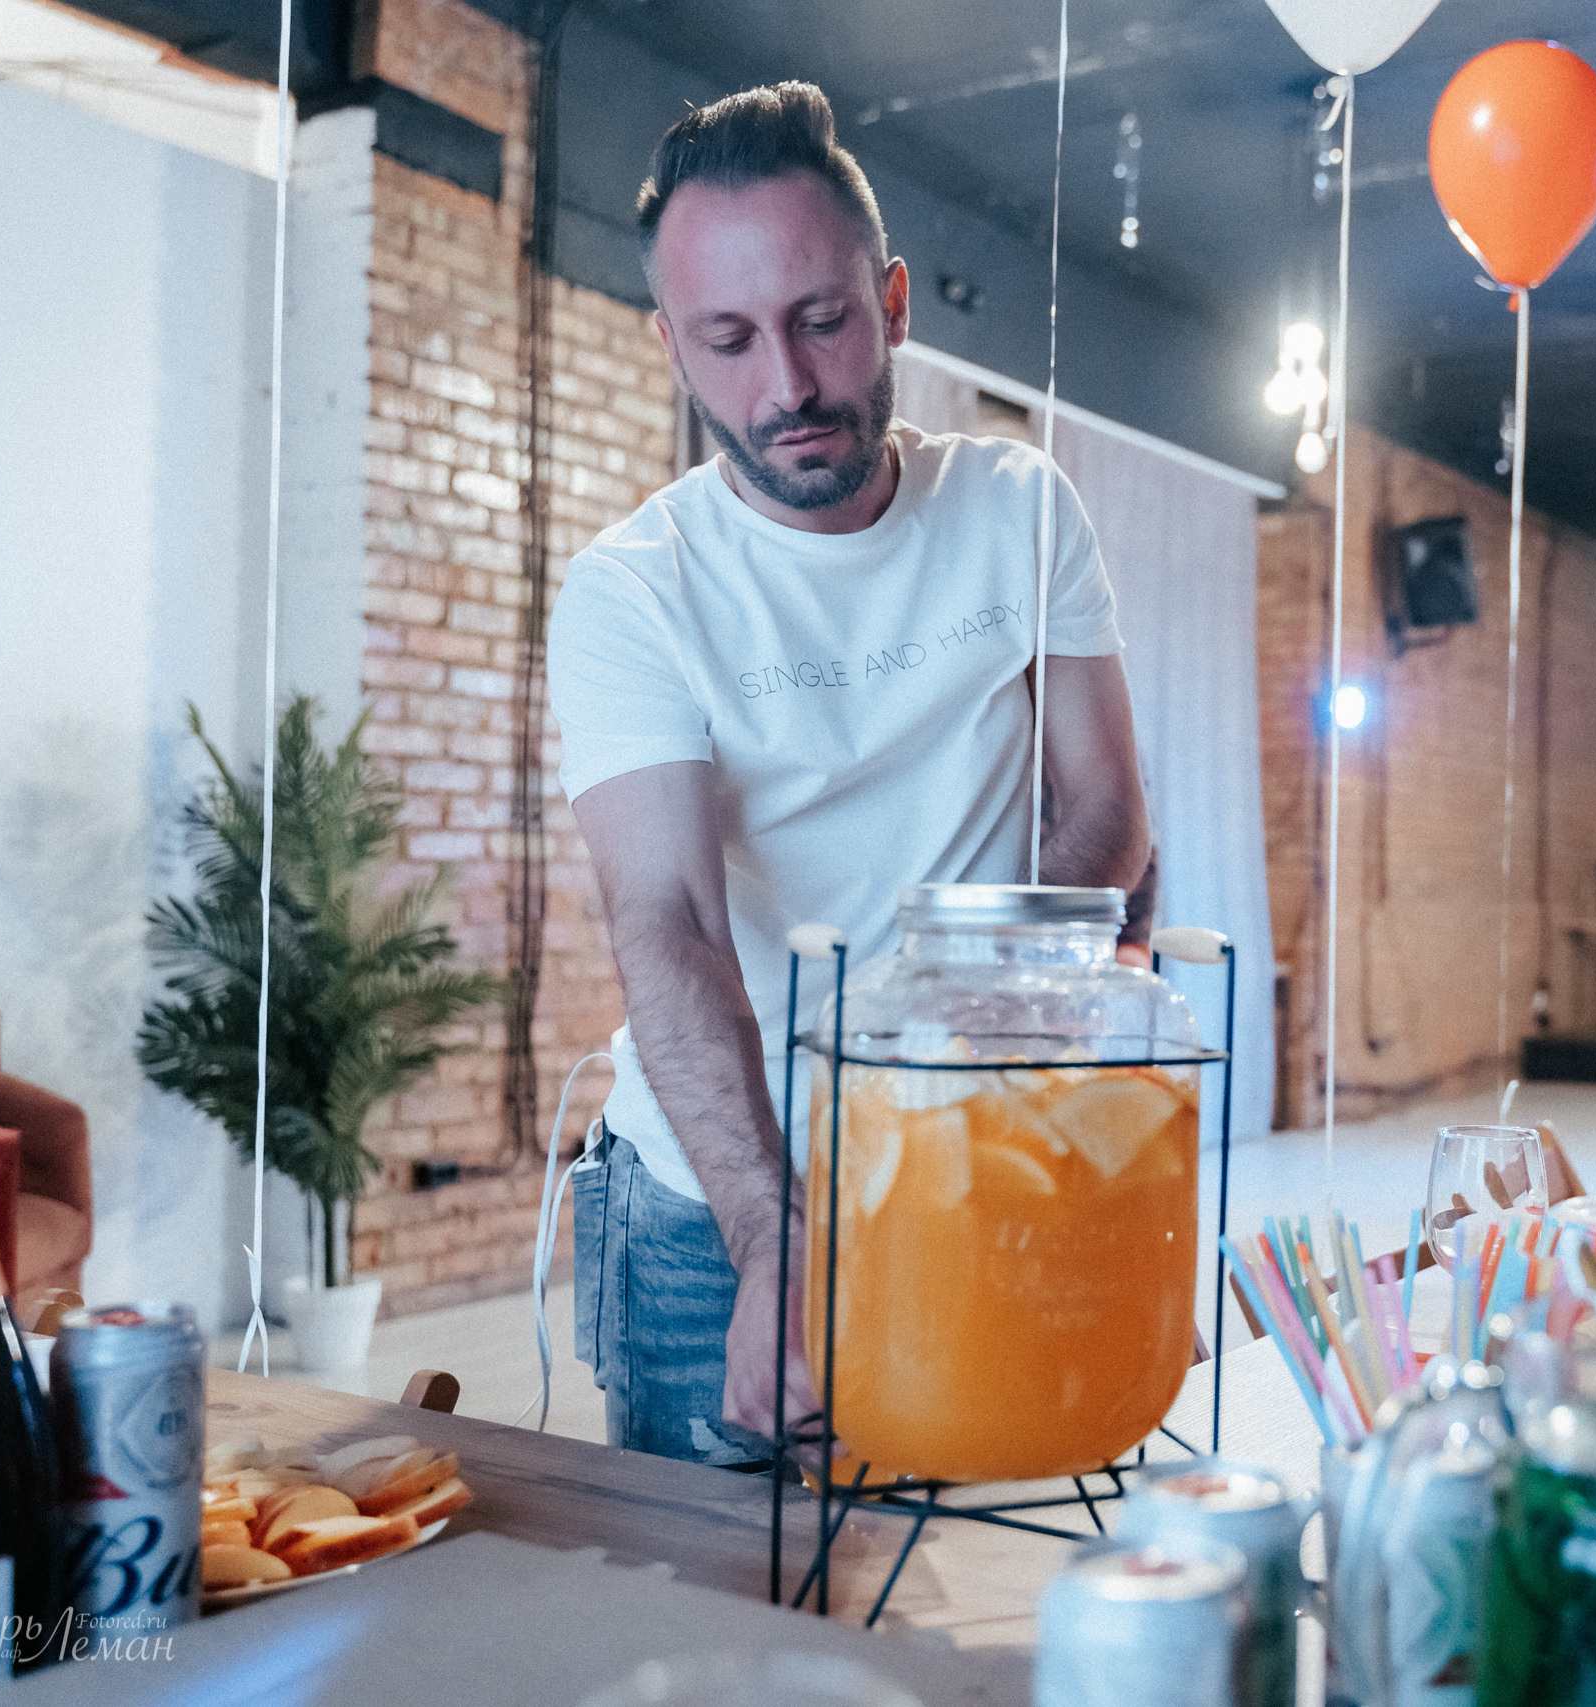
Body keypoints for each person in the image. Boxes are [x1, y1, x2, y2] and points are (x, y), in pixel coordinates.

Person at [548, 83, 1151, 1462]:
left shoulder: (1017, 508)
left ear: (891, 300)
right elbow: (674, 919)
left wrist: (945, 1067)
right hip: (716, 1203)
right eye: (730, 339)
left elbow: (1106, 811)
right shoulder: (633, 593)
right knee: (713, 1645)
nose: (789, 387)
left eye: (821, 320)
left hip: (964, 1155)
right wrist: (777, 1236)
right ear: (672, 347)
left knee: (953, 1596)